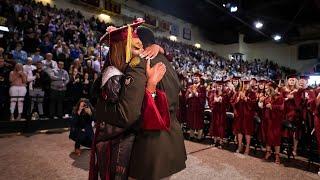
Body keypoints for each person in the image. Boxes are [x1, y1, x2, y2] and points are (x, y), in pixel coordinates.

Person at [91, 21, 186, 180]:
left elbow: (129, 113)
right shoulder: (167, 63)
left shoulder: (138, 63)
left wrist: (100, 111)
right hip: (171, 137)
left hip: (149, 141)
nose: (138, 47)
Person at [260, 82, 284, 164]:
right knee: (267, 136)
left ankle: (277, 155)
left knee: (276, 137)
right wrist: (261, 102)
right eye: (266, 89)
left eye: (268, 88)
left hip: (275, 120)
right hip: (267, 119)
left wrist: (272, 107)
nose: (266, 90)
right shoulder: (266, 98)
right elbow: (263, 108)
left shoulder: (279, 97)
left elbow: (282, 108)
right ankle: (268, 152)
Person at [232, 79, 257, 155]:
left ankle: (247, 147)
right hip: (240, 115)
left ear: (250, 85)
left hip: (248, 116)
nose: (246, 86)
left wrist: (246, 99)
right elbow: (233, 102)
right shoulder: (238, 92)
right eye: (244, 84)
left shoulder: (253, 93)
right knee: (239, 131)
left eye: (247, 84)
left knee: (247, 132)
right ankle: (239, 146)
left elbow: (254, 104)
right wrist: (237, 99)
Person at [186, 72, 206, 140]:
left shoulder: (202, 87)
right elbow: (186, 96)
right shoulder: (190, 86)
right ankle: (191, 135)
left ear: (200, 79)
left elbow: (203, 97)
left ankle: (199, 137)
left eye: (197, 78)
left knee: (199, 122)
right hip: (191, 107)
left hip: (199, 107)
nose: (195, 79)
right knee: (191, 121)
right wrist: (191, 95)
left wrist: (196, 93)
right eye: (194, 78)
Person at [208, 80, 228, 147]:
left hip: (222, 113)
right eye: (218, 86)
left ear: (222, 86)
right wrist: (214, 101)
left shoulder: (225, 93)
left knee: (221, 126)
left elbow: (227, 104)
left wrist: (221, 100)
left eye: (220, 86)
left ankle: (221, 141)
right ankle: (215, 140)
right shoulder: (213, 93)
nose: (219, 87)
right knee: (215, 126)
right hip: (215, 112)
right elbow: (210, 101)